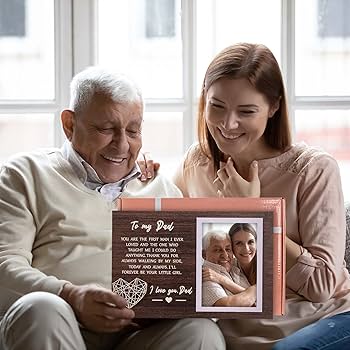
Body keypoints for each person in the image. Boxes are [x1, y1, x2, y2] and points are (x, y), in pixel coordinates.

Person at [141, 42, 350, 349]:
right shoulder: (196, 163)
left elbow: (320, 287)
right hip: (236, 330)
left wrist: (255, 211)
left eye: (246, 111)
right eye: (217, 107)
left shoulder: (314, 170)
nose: (227, 124)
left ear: (274, 107)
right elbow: (169, 247)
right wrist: (143, 184)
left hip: (320, 320)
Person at [0, 67, 225, 350]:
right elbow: (4, 267)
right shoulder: (25, 174)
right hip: (58, 324)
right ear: (70, 125)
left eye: (133, 130)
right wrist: (71, 296)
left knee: (201, 332)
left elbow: (189, 276)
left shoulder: (160, 189)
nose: (121, 145)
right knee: (40, 308)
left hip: (137, 336)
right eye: (106, 129)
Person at [201, 230, 256, 307]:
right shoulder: (206, 276)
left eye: (228, 249)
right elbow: (227, 305)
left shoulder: (234, 267)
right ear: (203, 254)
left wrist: (222, 279)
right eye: (217, 250)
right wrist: (256, 289)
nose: (225, 255)